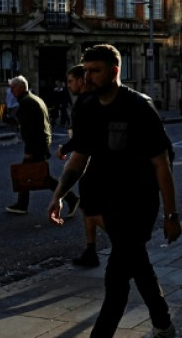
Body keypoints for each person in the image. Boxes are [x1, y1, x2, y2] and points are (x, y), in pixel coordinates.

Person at [47, 44, 181, 338]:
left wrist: (172, 214)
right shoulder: (86, 106)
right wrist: (58, 195)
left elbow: (162, 164)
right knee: (137, 263)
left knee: (116, 278)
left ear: (114, 71)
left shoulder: (138, 107)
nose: (88, 78)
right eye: (86, 72)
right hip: (110, 202)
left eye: (95, 71)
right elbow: (79, 157)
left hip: (139, 203)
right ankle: (164, 324)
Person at [5, 75, 79, 216]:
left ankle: (71, 198)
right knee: (35, 175)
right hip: (41, 144)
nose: (11, 91)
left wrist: (29, 150)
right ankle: (22, 204)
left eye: (13, 88)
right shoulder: (35, 99)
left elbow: (29, 129)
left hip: (36, 146)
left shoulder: (27, 102)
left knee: (35, 176)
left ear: (21, 87)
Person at [56, 64, 104, 268]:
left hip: (94, 164)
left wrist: (65, 149)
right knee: (88, 207)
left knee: (94, 209)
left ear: (80, 81)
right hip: (96, 161)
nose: (68, 86)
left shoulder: (85, 103)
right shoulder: (92, 100)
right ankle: (91, 249)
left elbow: (81, 141)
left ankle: (128, 245)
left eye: (70, 81)